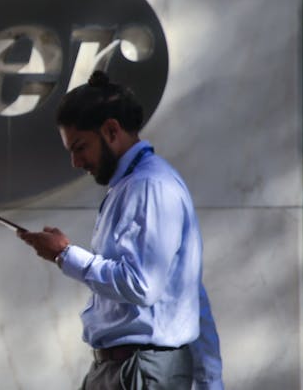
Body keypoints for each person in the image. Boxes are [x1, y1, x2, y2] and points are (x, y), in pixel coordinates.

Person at [18, 70, 223, 390]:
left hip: (141, 371)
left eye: (80, 147)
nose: (75, 162)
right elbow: (190, 292)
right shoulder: (132, 186)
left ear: (111, 130)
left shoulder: (149, 186)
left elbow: (141, 285)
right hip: (127, 369)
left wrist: (64, 254)